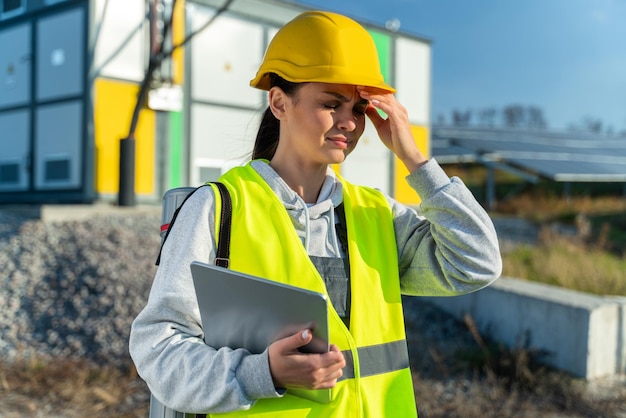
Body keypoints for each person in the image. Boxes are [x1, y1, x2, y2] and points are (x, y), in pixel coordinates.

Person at [129, 10, 502, 417]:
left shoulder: (376, 215)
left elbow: (477, 262)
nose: (350, 122)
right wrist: (261, 372)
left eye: (359, 108)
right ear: (279, 103)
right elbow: (159, 347)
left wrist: (414, 158)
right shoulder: (218, 208)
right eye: (331, 103)